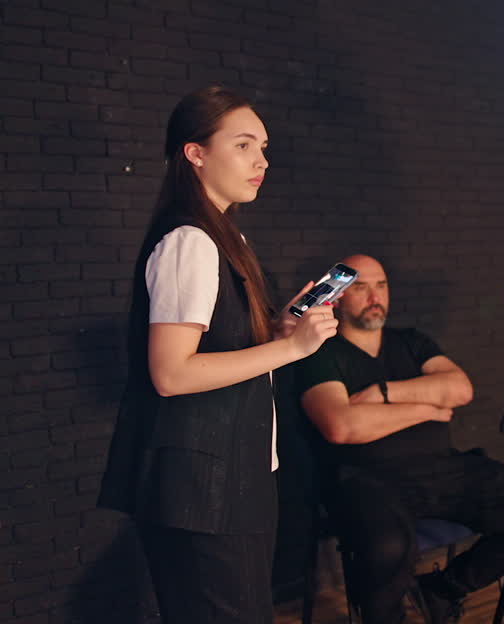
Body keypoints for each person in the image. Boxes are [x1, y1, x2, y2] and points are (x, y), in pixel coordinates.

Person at [98, 86, 339, 624]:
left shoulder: (227, 237)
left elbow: (217, 352)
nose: (261, 161)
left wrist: (277, 331)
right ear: (196, 152)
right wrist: (288, 347)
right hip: (200, 490)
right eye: (244, 145)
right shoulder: (191, 241)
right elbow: (171, 371)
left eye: (264, 147)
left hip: (234, 477)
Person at [294, 254, 504, 624]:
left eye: (381, 285)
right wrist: (427, 408)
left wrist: (381, 394)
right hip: (365, 478)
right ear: (336, 297)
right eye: (360, 287)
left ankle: (444, 588)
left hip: (443, 468)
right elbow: (341, 426)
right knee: (389, 549)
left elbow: (459, 389)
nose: (374, 295)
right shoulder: (321, 352)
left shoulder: (412, 342)